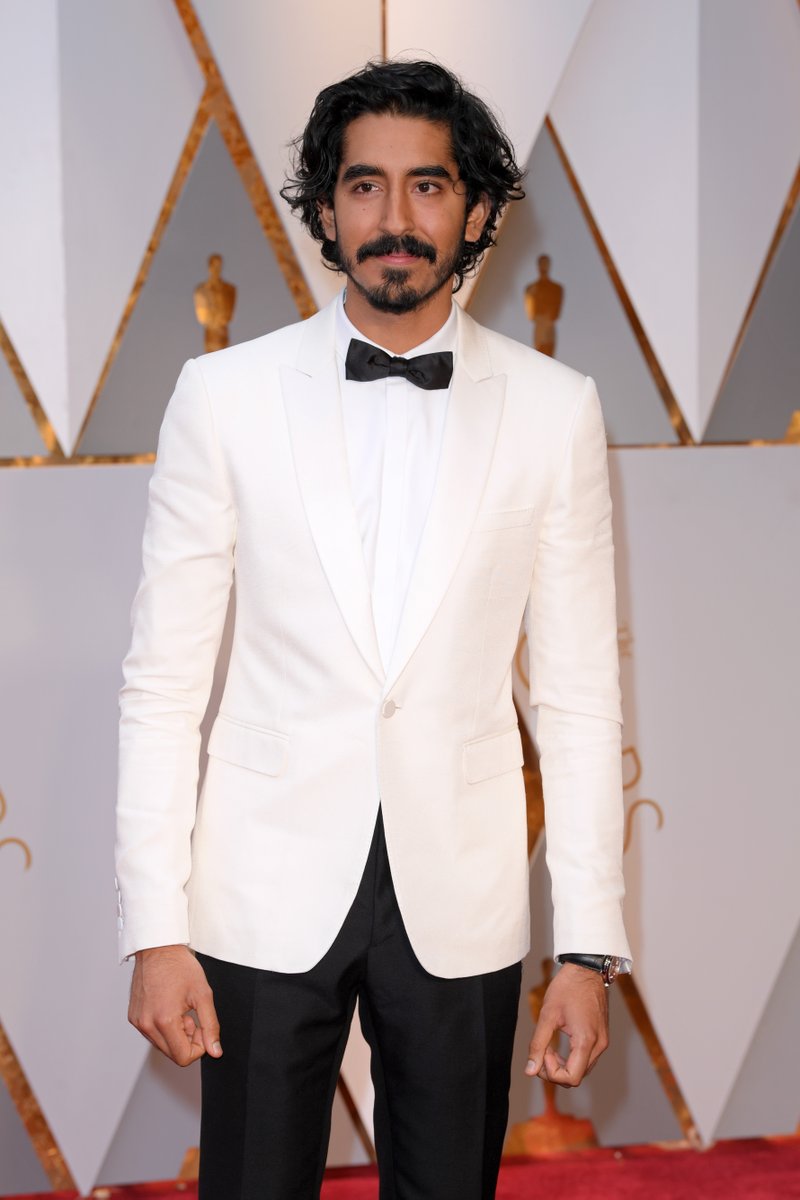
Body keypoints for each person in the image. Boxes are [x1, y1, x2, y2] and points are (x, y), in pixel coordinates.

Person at [116, 59, 631, 1200]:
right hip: (259, 889)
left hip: (464, 892)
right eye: (363, 185)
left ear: (477, 211)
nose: (395, 218)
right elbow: (162, 686)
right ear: (326, 207)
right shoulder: (223, 397)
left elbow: (578, 701)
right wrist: (154, 928)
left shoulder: (555, 413)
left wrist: (587, 950)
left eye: (427, 186)